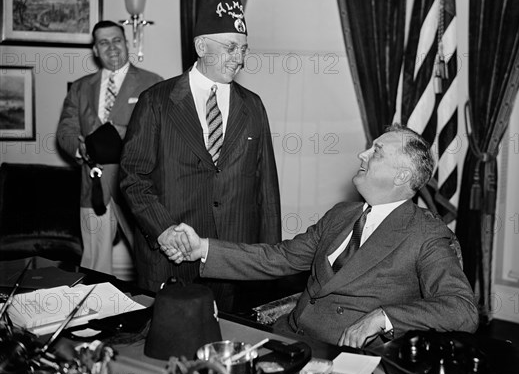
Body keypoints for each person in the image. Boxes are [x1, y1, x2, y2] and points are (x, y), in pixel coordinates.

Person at [164, 125, 478, 348]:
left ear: (401, 176)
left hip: (344, 353)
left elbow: (461, 309)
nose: (362, 154)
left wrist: (385, 317)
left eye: (376, 151)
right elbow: (281, 257)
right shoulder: (342, 215)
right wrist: (201, 248)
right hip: (288, 337)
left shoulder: (426, 234)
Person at [120, 0, 281, 308]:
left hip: (232, 263)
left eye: (244, 49)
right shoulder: (157, 101)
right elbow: (132, 176)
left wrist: (268, 263)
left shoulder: (253, 107)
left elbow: (267, 191)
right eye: (231, 47)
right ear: (201, 46)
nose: (239, 58)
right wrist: (164, 231)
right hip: (170, 259)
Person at [57, 20, 163, 275]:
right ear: (95, 50)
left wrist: (123, 135)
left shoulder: (154, 83)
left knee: (149, 265)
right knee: (94, 268)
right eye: (103, 42)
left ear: (126, 43)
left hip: (138, 190)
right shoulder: (81, 87)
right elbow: (65, 131)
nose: (111, 47)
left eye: (116, 40)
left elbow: (163, 134)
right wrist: (78, 148)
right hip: (93, 189)